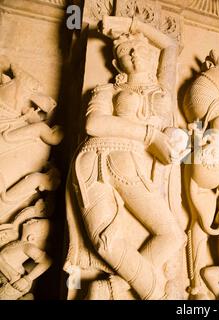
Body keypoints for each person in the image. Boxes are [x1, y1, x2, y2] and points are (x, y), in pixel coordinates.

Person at [65, 16, 187, 300]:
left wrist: (134, 25)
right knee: (105, 241)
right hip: (98, 159)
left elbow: (170, 45)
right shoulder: (108, 90)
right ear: (117, 66)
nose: (133, 53)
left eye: (140, 49)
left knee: (171, 236)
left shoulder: (161, 88)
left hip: (133, 165)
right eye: (124, 52)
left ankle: (110, 288)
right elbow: (93, 125)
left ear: (151, 56)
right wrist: (150, 135)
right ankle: (155, 294)